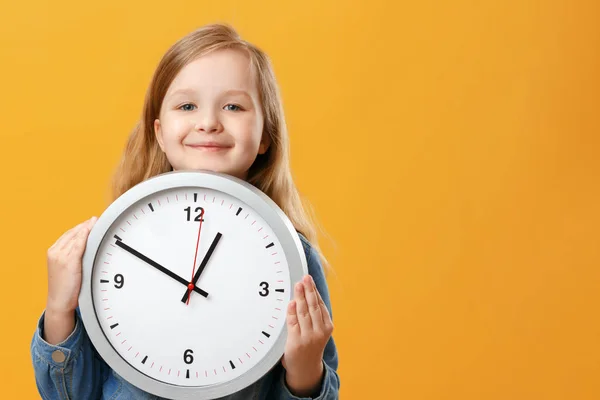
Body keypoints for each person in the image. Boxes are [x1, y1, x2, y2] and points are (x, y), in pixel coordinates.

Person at [30, 23, 340, 400]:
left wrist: (305, 367)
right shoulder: (109, 248)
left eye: (233, 106)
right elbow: (69, 396)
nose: (208, 122)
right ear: (160, 132)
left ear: (265, 137)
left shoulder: (295, 258)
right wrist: (59, 309)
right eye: (187, 105)